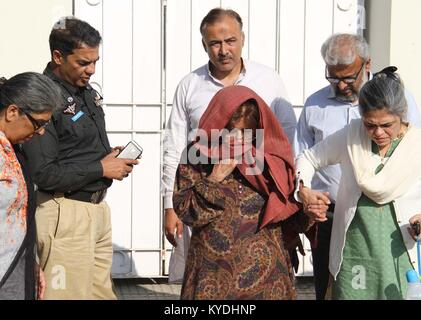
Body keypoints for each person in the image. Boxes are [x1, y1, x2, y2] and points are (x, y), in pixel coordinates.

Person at [163, 8, 297, 283]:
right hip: (208, 206)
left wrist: (290, 197)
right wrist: (169, 205)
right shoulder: (190, 86)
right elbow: (175, 145)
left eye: (230, 41)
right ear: (204, 45)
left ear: (243, 39)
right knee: (209, 279)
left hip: (260, 215)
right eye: (215, 43)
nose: (223, 50)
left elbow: (287, 140)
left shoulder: (268, 80)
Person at [295, 33, 421, 300]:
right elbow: (307, 157)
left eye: (386, 125)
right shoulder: (351, 135)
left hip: (401, 250)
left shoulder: (416, 144)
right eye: (370, 124)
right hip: (353, 249)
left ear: (402, 115)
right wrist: (303, 190)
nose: (377, 133)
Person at [22, 17, 138, 300]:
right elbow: (43, 174)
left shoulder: (85, 91)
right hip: (64, 212)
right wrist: (102, 167)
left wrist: (108, 158)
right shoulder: (41, 99)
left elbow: (77, 150)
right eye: (83, 63)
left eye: (95, 61)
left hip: (96, 212)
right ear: (58, 57)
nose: (91, 70)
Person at [173, 85, 325, 299]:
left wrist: (309, 212)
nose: (236, 139)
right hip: (213, 280)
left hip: (268, 282)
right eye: (229, 131)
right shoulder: (197, 154)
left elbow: (289, 220)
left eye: (245, 132)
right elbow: (186, 211)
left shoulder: (273, 158)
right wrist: (213, 179)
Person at [0, 72, 61, 300]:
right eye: (38, 124)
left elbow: (19, 216)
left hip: (16, 267)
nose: (41, 132)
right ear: (13, 112)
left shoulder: (16, 152)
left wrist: (31, 261)